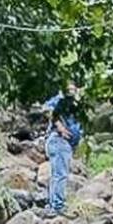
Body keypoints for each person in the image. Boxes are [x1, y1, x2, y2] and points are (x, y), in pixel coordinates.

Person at [42, 83, 83, 217]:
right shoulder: (62, 99)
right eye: (69, 88)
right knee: (60, 175)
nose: (72, 90)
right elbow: (47, 109)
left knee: (56, 175)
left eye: (73, 88)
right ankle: (58, 206)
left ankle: (53, 204)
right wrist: (61, 128)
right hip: (59, 140)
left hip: (61, 143)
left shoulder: (74, 103)